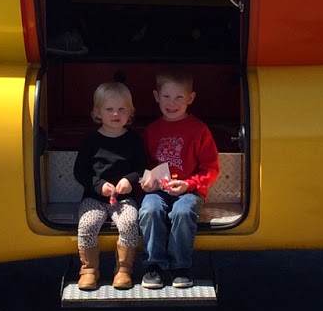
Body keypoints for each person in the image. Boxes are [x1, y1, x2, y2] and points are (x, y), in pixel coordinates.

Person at [138, 69, 220, 289]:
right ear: (156, 96)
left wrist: (188, 184)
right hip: (158, 190)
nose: (171, 103)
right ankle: (154, 265)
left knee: (183, 212)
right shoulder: (152, 130)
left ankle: (180, 267)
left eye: (179, 97)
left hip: (189, 191)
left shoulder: (199, 130)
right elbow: (144, 164)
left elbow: (211, 168)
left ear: (190, 98)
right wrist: (147, 181)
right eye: (166, 96)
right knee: (149, 209)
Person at [72, 80, 148, 290]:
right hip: (94, 198)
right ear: (98, 112)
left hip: (124, 199)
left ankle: (123, 270)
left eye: (122, 109)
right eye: (109, 109)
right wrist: (98, 186)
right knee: (87, 225)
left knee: (130, 224)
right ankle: (89, 270)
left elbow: (142, 168)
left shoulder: (133, 139)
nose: (116, 114)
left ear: (130, 112)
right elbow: (80, 172)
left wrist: (129, 180)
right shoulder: (91, 140)